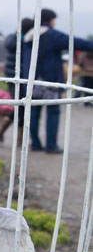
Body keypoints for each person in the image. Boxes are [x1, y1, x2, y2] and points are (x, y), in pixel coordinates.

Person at [22, 8, 93, 154]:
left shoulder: (28, 36)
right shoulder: (51, 35)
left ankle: (35, 143)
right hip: (49, 81)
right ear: (50, 20)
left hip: (32, 81)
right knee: (53, 112)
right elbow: (76, 42)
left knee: (33, 113)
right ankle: (51, 145)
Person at [0, 17, 34, 145]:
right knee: (22, 107)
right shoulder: (26, 41)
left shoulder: (12, 38)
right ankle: (18, 139)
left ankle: (2, 130)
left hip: (11, 77)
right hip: (21, 77)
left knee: (19, 106)